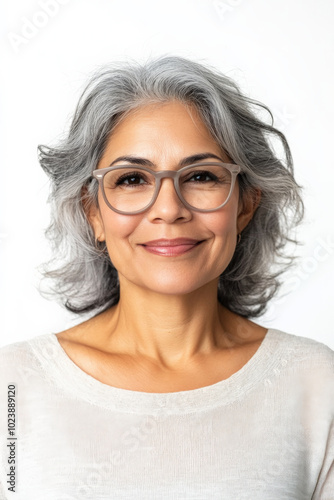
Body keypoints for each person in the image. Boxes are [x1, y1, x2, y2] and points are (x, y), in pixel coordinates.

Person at [0, 55, 333, 499]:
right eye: (133, 179)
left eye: (200, 176)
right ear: (93, 212)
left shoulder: (316, 384)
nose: (169, 208)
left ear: (245, 206)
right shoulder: (12, 388)